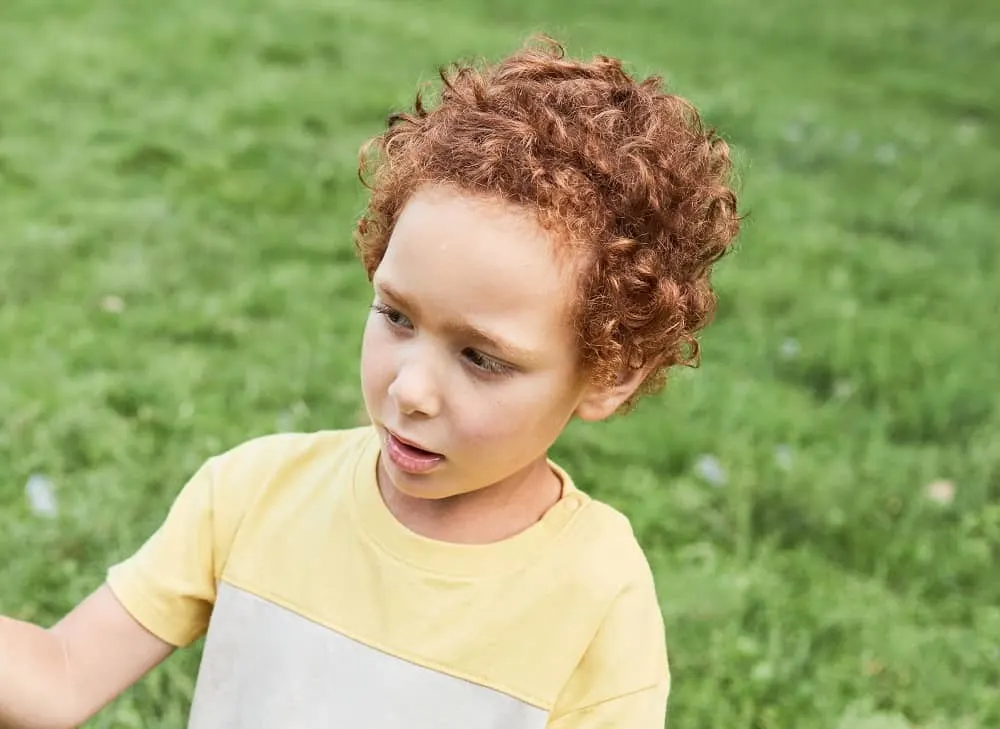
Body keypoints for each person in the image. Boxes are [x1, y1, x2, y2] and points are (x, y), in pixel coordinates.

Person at [0, 36, 740, 729]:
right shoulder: (254, 494)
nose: (411, 389)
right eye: (396, 315)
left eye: (481, 357)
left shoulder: (596, 591)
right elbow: (61, 674)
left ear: (607, 374)